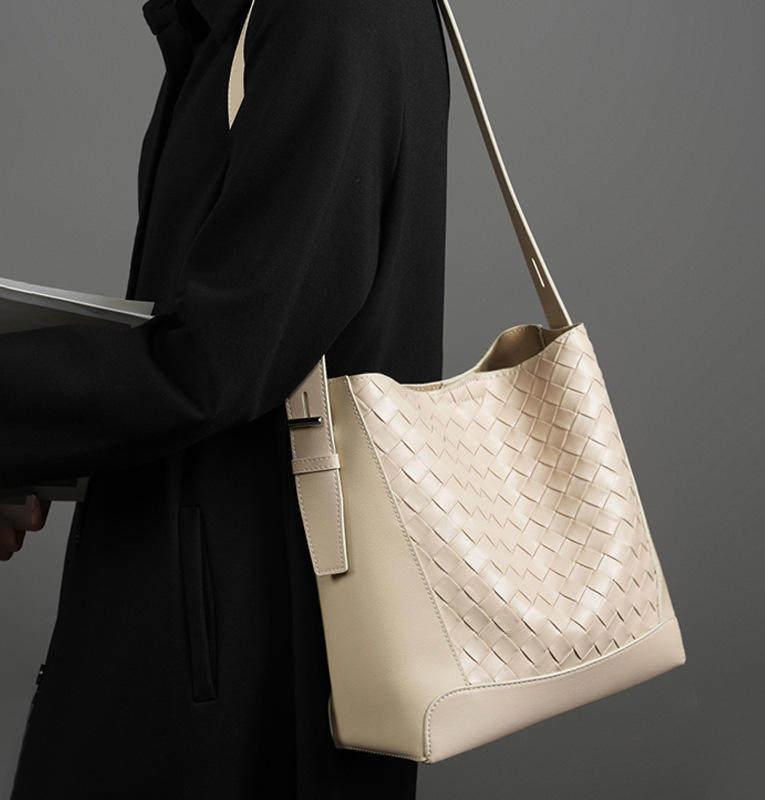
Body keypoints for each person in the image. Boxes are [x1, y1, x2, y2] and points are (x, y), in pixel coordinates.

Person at [2, 0, 450, 796]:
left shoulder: (330, 17)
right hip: (201, 624)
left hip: (252, 660)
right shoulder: (239, 23)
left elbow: (221, 358)